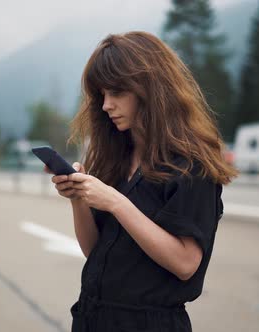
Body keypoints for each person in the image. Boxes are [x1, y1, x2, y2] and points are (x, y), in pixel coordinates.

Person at [45, 31, 238, 332]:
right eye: (102, 95)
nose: (107, 105)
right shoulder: (116, 157)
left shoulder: (191, 166)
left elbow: (186, 263)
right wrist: (78, 198)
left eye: (118, 92)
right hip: (92, 317)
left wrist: (115, 201)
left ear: (150, 90)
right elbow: (93, 249)